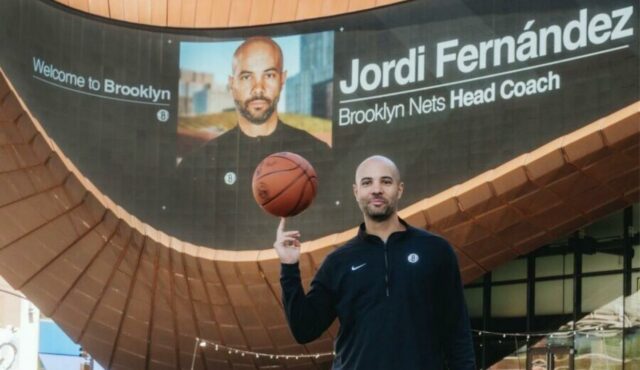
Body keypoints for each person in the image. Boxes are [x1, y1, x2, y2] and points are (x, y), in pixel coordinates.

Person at [275, 155, 476, 369]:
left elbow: (457, 332)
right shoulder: (338, 262)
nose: (376, 189)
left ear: (399, 189)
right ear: (356, 192)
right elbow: (304, 329)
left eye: (386, 181)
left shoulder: (436, 250)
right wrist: (289, 267)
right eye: (367, 182)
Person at [174, 37, 332, 249]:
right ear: (232, 83)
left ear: (282, 79)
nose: (258, 88)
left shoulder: (319, 154)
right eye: (247, 76)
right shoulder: (195, 165)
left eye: (269, 75)